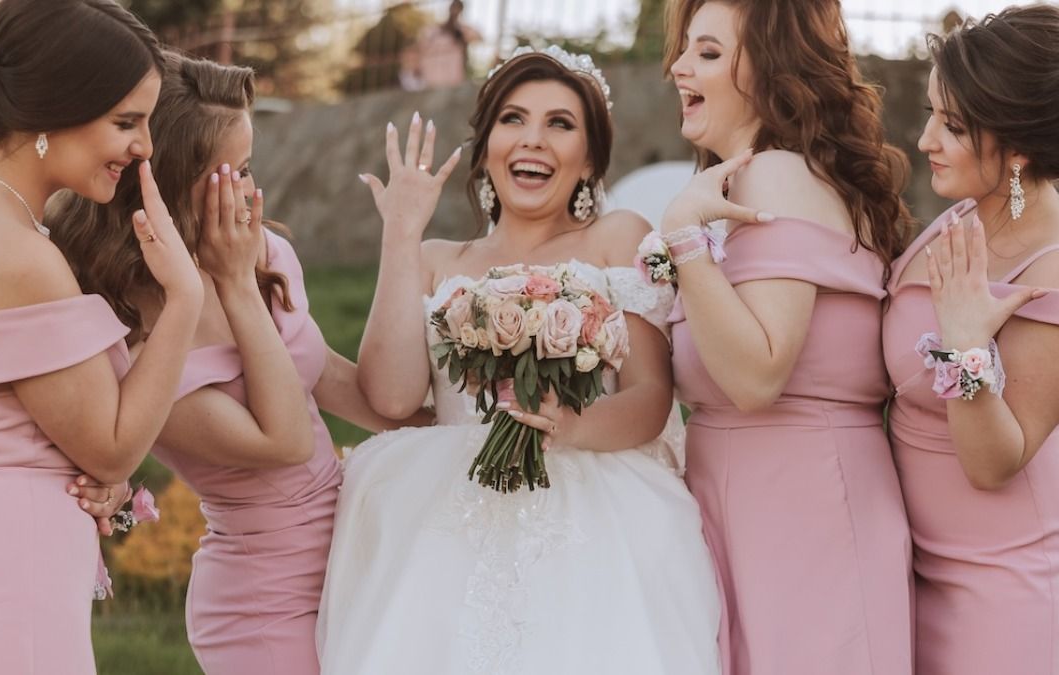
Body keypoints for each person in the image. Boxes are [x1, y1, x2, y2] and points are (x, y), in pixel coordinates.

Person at [316, 46, 746, 675]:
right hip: (444, 517)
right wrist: (401, 235)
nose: (533, 139)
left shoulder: (617, 238)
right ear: (487, 144)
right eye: (513, 119)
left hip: (595, 515)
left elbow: (651, 397)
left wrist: (569, 425)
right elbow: (390, 397)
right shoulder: (435, 259)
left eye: (560, 123)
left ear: (590, 159)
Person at [51, 51, 425, 675]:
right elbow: (284, 441)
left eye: (251, 166)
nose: (252, 190)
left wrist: (456, 427)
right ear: (168, 184)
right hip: (264, 605)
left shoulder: (262, 250)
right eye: (237, 172)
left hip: (351, 562)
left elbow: (324, 374)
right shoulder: (136, 337)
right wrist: (235, 284)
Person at [0, 1, 202, 673]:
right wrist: (185, 299)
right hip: (5, 593)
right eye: (126, 122)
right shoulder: (20, 257)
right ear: (55, 109)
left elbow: (16, 432)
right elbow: (113, 445)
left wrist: (98, 480)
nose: (145, 146)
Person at [660, 1, 914, 673]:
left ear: (771, 71)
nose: (678, 67)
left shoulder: (776, 176)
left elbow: (757, 375)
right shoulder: (755, 180)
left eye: (708, 53)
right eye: (685, 49)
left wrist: (683, 238)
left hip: (798, 513)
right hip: (753, 506)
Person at [885, 6, 1059, 673]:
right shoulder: (962, 215)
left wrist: (964, 345)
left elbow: (993, 463)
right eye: (932, 113)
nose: (925, 139)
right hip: (918, 560)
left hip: (1016, 572)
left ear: (1018, 149)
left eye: (953, 126)